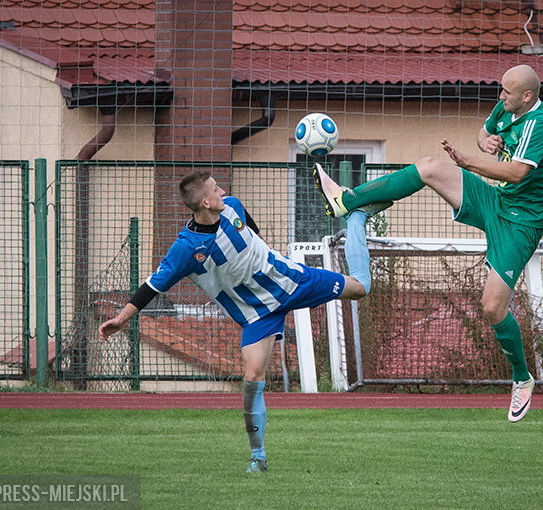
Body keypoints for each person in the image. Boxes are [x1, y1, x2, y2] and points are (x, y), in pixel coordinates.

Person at [313, 64, 543, 423]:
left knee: (492, 307)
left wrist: (468, 161)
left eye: (507, 92)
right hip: (497, 200)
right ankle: (346, 200)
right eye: (501, 90)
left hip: (522, 222)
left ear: (527, 96)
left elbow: (518, 172)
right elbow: (485, 132)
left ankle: (522, 378)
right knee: (429, 167)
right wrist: (485, 141)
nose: (500, 97)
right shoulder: (507, 106)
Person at [99, 171, 390, 473]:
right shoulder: (186, 249)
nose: (223, 190)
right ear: (205, 202)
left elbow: (253, 232)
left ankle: (356, 217)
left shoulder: (233, 205)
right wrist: (121, 318)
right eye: (216, 189)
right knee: (252, 377)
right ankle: (258, 459)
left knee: (360, 288)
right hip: (256, 314)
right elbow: (152, 286)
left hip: (290, 282)